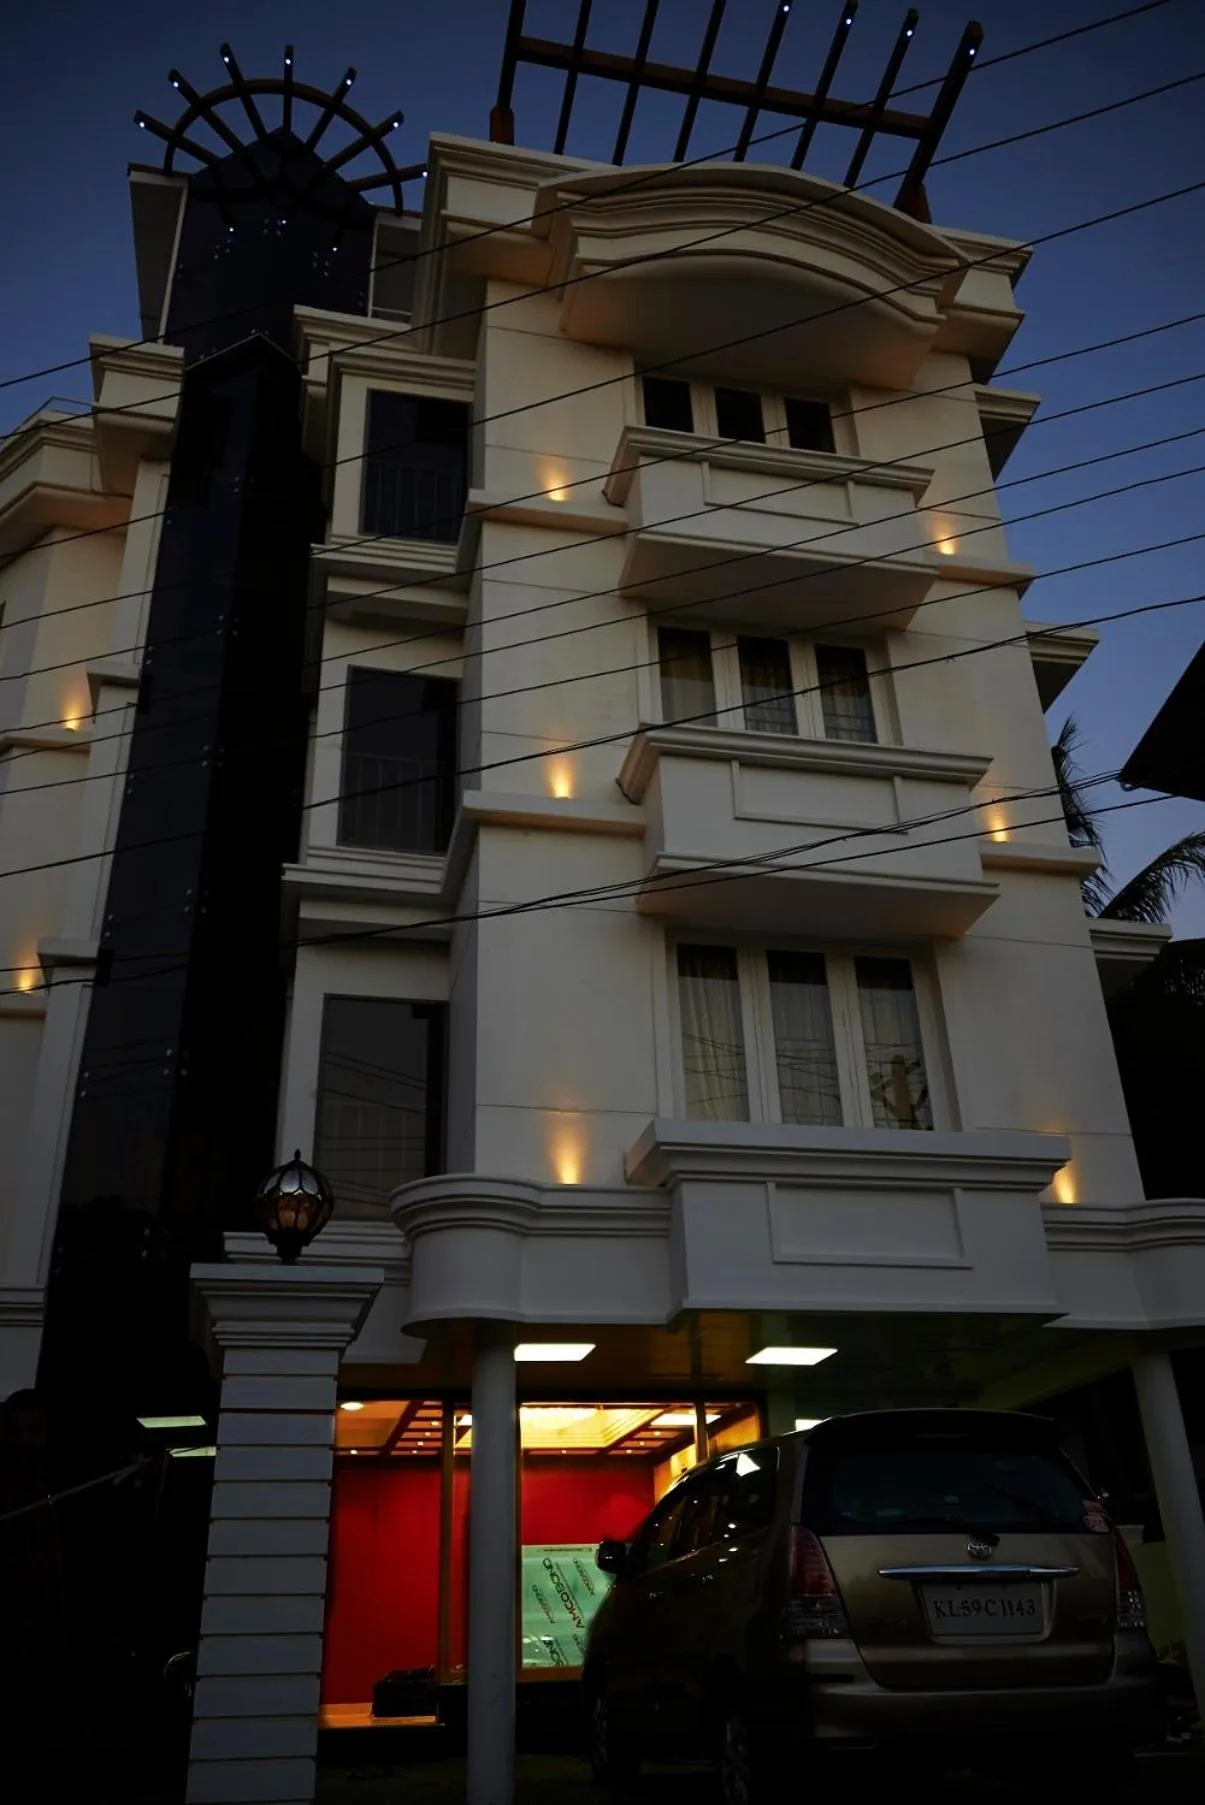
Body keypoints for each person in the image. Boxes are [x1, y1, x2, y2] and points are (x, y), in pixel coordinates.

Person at [0, 1389, 67, 1756]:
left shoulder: (56, 1476)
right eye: (16, 1431)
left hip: (48, 1616)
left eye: (33, 1430)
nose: (25, 1440)